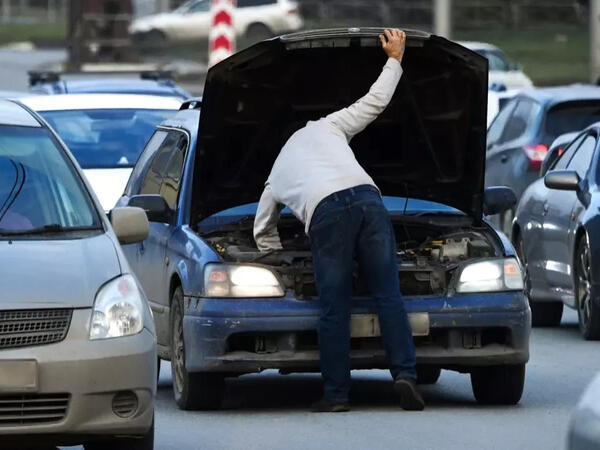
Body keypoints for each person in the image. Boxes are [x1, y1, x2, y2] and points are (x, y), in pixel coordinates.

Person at [253, 29, 424, 412]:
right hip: (369, 200)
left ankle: (336, 395)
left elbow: (262, 228)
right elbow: (373, 103)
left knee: (335, 306)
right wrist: (395, 59)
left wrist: (275, 256)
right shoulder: (327, 126)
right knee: (388, 295)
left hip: (327, 215)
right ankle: (406, 376)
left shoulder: (277, 171)